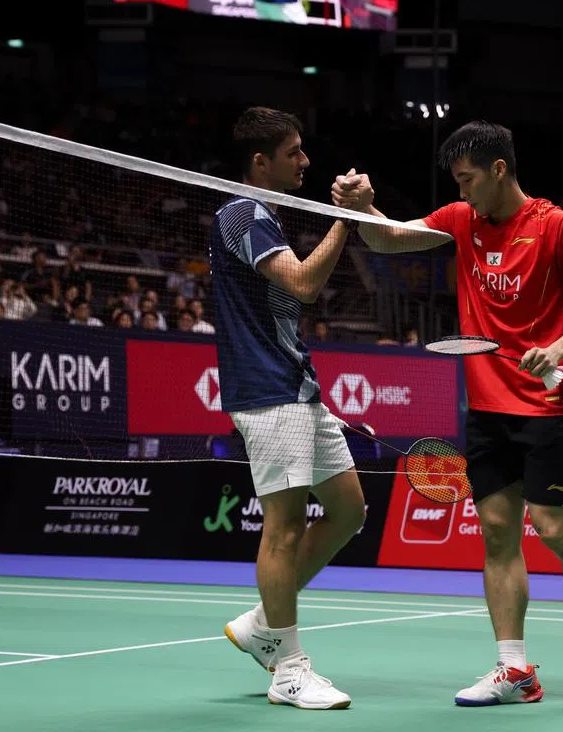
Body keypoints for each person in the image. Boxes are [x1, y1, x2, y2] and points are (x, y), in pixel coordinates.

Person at [331, 120, 563, 707]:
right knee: (497, 535)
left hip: (548, 403)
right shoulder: (460, 220)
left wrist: (561, 348)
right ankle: (514, 669)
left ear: (500, 169)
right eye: (456, 182)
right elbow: (391, 239)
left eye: (468, 179)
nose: (462, 191)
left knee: (554, 530)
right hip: (487, 407)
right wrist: (367, 209)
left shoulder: (556, 226)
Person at [211, 106, 364, 710]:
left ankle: (260, 625)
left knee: (348, 509)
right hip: (265, 390)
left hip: (298, 385)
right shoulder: (240, 213)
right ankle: (288, 669)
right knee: (284, 527)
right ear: (260, 161)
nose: (305, 161)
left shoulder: (266, 215)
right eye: (294, 152)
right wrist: (345, 221)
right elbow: (300, 283)